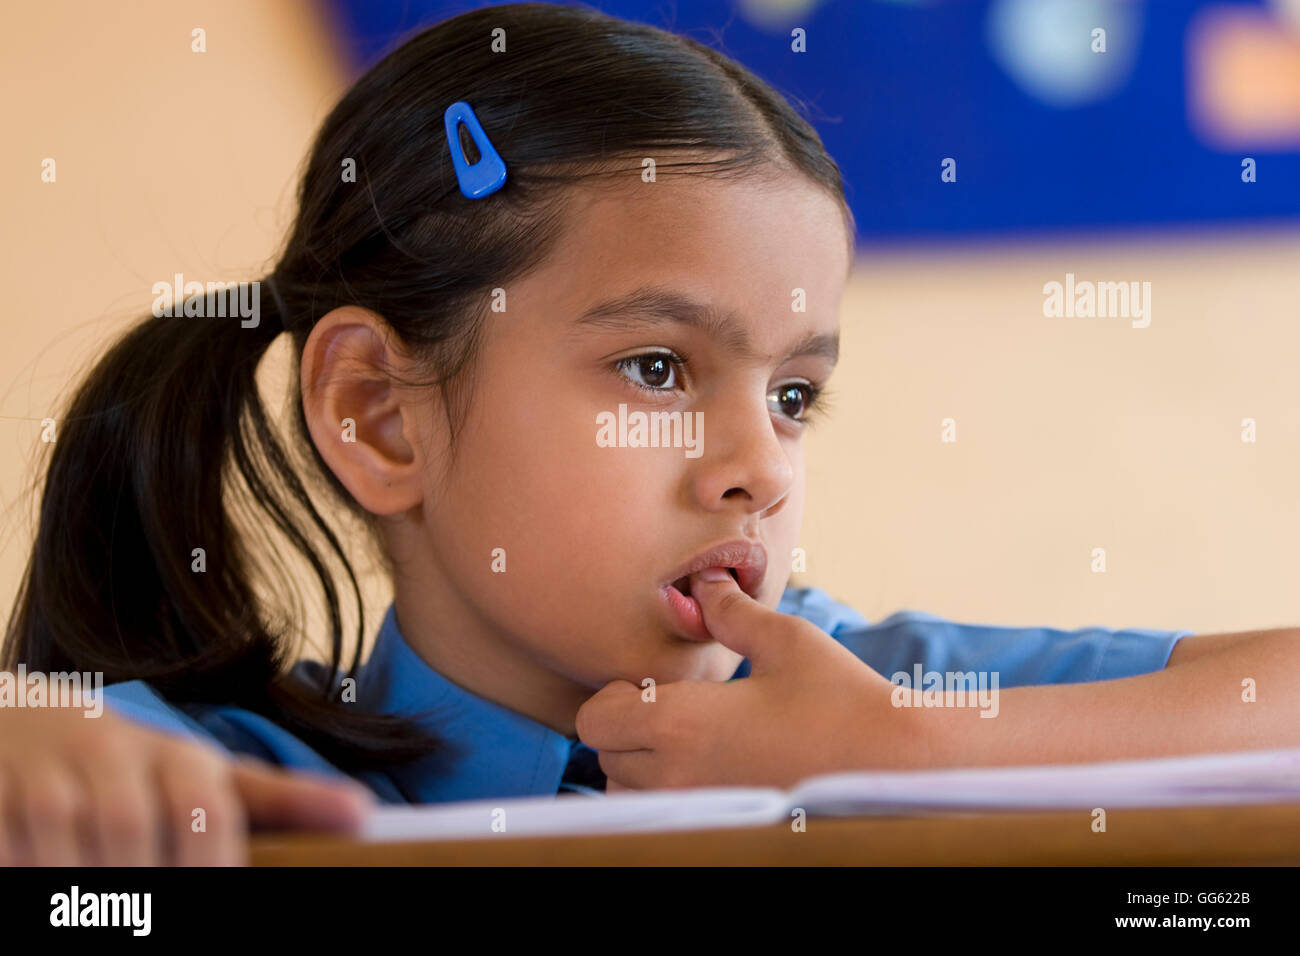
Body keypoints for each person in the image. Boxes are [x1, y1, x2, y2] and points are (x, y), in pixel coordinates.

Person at [3, 3, 1295, 867]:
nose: (762, 466)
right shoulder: (224, 775)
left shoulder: (863, 690)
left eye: (795, 395)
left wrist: (901, 746)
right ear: (378, 415)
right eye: (660, 366)